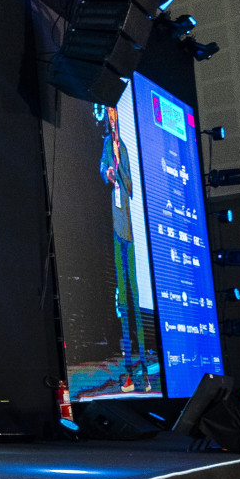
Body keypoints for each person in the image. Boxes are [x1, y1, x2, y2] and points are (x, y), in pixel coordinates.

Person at [99, 103, 145, 392]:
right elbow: (102, 169)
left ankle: (141, 367)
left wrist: (120, 171)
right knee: (122, 301)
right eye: (109, 114)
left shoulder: (124, 147)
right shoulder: (107, 144)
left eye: (115, 113)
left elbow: (131, 183)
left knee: (135, 296)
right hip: (116, 229)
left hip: (128, 229)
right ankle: (128, 368)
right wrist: (108, 172)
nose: (112, 117)